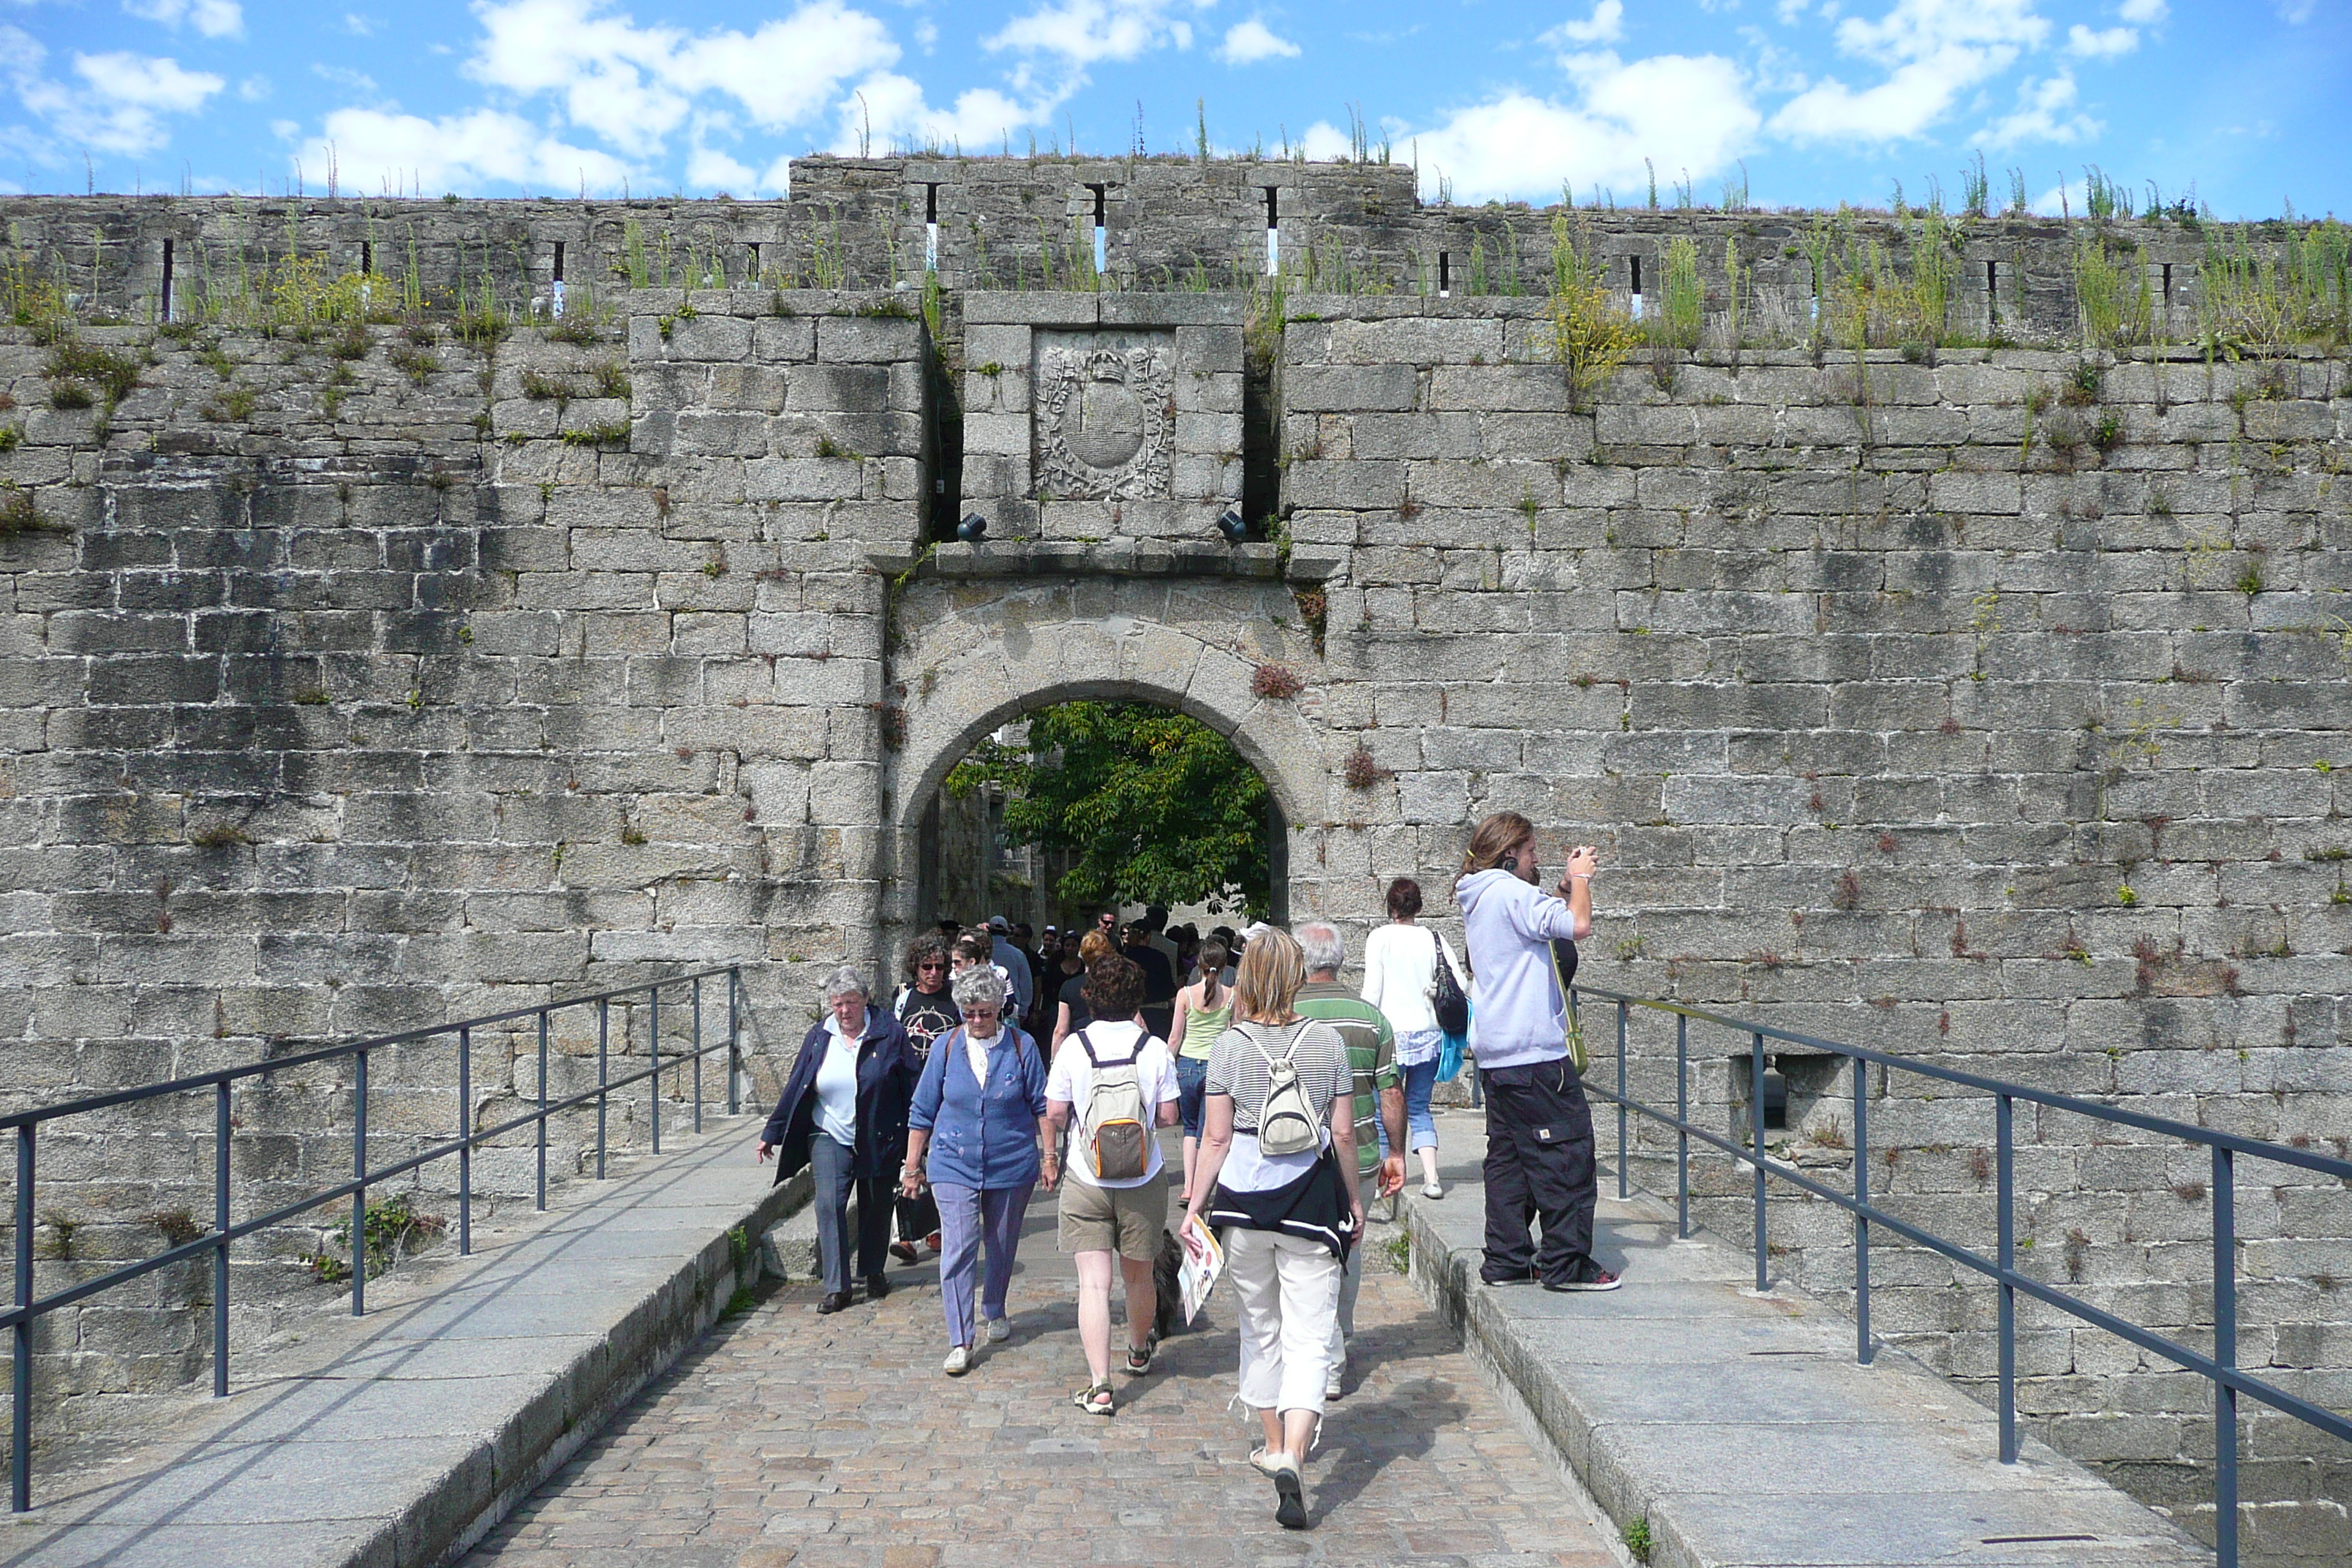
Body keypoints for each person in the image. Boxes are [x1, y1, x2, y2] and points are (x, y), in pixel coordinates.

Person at [1183, 929, 1362, 1532]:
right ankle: (1294, 1453)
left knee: (1260, 1329)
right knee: (1312, 1334)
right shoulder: (1328, 1044)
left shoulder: (1230, 1048)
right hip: (1309, 1203)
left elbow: (1215, 1138)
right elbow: (1341, 1136)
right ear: (1295, 976)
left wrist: (1193, 1207)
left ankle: (1271, 1442)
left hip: (1243, 1204)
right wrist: (1354, 1202)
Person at [1454, 811, 1615, 1292]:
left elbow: (1541, 918)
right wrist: (1583, 879)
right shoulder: (1509, 892)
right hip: (1535, 1055)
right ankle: (1566, 1265)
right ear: (1510, 854)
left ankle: (1506, 1260)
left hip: (1499, 1056)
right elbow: (1578, 926)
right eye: (1530, 853)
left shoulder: (1480, 895)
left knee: (1511, 1162)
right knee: (1566, 1155)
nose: (1535, 861)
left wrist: (1566, 886)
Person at [1044, 955, 1180, 1416]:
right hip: (1143, 1176)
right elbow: (1168, 1117)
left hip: (1087, 1175)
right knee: (1138, 1275)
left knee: (1093, 1285)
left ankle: (1101, 1384)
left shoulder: (1074, 1048)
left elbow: (1057, 1112)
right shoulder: (1154, 1048)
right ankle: (1139, 1350)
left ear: (1090, 997)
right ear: (1135, 998)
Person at [902, 965, 1053, 1374]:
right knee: (959, 1245)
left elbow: (1042, 1105)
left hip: (1011, 1162)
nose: (976, 1021)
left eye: (984, 1013)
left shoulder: (1022, 1046)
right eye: (969, 1013)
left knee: (1001, 1244)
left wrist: (1049, 1156)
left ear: (1000, 1009)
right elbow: (922, 1109)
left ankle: (995, 1306)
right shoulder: (946, 1047)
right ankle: (961, 1339)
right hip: (952, 1161)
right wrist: (913, 1166)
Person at [757, 967, 920, 1314]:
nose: (844, 1011)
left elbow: (912, 1084)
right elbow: (798, 1083)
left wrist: (917, 1136)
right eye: (837, 1004)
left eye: (851, 1002)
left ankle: (873, 1270)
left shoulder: (890, 1033)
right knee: (828, 1204)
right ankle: (837, 1286)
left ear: (865, 1001)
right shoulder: (820, 1036)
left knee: (876, 1206)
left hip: (879, 1132)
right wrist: (772, 1132)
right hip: (828, 1132)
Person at [1292, 920, 1407, 1398]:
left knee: (1301, 1255)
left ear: (1301, 960)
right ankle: (1337, 1347)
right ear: (1340, 961)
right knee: (1346, 1252)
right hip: (1356, 1152)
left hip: (1295, 1154)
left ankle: (1316, 1354)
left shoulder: (1282, 1012)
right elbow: (1391, 1093)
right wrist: (1396, 1151)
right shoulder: (1370, 1018)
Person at [1360, 878, 1462, 1200]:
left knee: (1381, 1109)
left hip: (1390, 1036)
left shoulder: (1379, 938)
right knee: (1419, 1107)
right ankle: (1432, 1179)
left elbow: (1372, 991)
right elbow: (1460, 985)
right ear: (1419, 906)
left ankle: (1381, 1179)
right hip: (1429, 1035)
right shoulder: (1435, 939)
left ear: (1390, 906)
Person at [889, 936, 958, 1262]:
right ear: (915, 968)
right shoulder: (903, 999)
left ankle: (936, 1229)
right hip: (908, 1087)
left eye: (940, 967)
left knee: (938, 1159)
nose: (934, 973)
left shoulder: (955, 999)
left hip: (946, 1089)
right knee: (909, 1159)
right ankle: (904, 1235)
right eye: (927, 967)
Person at [1166, 936, 1232, 1205]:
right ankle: (1205, 1190)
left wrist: (1165, 1071)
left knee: (1190, 1129)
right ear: (1225, 966)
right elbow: (1233, 1035)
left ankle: (1189, 1186)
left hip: (1187, 1066)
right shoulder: (1232, 995)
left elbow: (1174, 1038)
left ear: (1199, 965)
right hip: (1217, 1067)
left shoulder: (1185, 995)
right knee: (1211, 1133)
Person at [1052, 928, 1116, 1047]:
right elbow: (1138, 1022)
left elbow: (1061, 1031)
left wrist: (1054, 1062)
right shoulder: (1117, 984)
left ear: (1082, 954)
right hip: (1112, 1045)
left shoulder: (1068, 987)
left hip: (1080, 1046)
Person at [1124, 920, 1178, 1042]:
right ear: (1148, 936)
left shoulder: (1124, 958)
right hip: (1158, 1012)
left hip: (1131, 1013)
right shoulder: (1160, 957)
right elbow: (1168, 988)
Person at [987, 915, 1035, 1017]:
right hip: (1011, 1012)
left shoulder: (981, 953)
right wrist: (1022, 1011)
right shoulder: (1018, 955)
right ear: (1007, 932)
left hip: (986, 1011)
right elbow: (1026, 987)